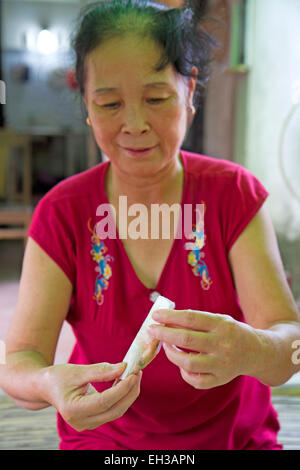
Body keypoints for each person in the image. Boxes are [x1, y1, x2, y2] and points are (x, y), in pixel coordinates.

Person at [1, 0, 300, 450]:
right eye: (110, 103)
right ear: (86, 104)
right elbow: (18, 362)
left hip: (234, 440)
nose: (135, 124)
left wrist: (257, 350)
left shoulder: (233, 195)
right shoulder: (63, 213)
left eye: (156, 98)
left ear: (189, 92)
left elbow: (291, 344)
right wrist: (47, 384)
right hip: (106, 443)